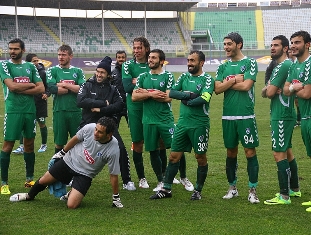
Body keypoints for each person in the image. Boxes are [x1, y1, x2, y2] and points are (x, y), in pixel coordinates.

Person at [9, 117, 124, 209]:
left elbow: (113, 174)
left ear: (109, 135)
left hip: (86, 174)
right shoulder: (90, 128)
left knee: (72, 205)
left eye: (100, 132)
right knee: (44, 180)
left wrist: (116, 197)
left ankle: (70, 194)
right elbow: (75, 138)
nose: (95, 133)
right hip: (69, 161)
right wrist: (62, 152)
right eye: (96, 129)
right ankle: (28, 196)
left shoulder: (113, 148)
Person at [150, 50, 214, 200]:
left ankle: (198, 191)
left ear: (201, 63)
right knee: (173, 156)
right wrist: (189, 96)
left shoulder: (208, 79)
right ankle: (166, 190)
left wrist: (187, 99)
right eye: (188, 60)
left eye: (192, 61)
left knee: (200, 157)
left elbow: (204, 98)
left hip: (199, 124)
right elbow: (171, 92)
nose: (189, 63)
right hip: (182, 124)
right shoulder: (184, 77)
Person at [132, 49, 194, 192]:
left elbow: (168, 97)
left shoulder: (168, 76)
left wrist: (145, 93)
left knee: (177, 147)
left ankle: (184, 177)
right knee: (153, 150)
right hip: (148, 120)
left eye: (153, 58)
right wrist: (152, 94)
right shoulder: (142, 76)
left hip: (165, 119)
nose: (150, 60)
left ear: (161, 61)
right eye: (149, 57)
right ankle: (161, 180)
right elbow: (135, 97)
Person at [77, 56, 136, 191]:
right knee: (76, 149)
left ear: (108, 74)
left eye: (102, 72)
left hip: (107, 125)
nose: (99, 74)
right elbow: (80, 101)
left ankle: (127, 181)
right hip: (87, 124)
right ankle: (71, 177)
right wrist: (102, 103)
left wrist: (102, 110)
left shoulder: (113, 89)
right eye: (98, 71)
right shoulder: (87, 84)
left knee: (120, 149)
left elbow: (120, 105)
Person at [214, 32, 260, 204]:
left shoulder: (250, 62)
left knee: (250, 151)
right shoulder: (222, 66)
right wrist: (234, 80)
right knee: (230, 152)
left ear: (239, 44)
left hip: (246, 115)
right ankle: (232, 188)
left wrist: (227, 83)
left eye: (229, 44)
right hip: (228, 116)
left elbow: (247, 85)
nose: (225, 47)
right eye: (224, 44)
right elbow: (217, 89)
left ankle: (252, 190)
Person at [0, 38, 44, 194]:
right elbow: (11, 86)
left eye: (16, 49)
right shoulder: (4, 65)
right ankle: (4, 183)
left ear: (22, 50)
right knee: (8, 145)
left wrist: (22, 88)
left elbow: (41, 88)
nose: (12, 51)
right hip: (13, 110)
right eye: (10, 49)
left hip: (29, 111)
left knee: (29, 145)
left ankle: (29, 179)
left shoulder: (30, 66)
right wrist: (30, 84)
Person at [261, 35, 300, 205]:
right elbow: (267, 90)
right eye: (271, 45)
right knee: (288, 151)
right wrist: (269, 89)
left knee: (278, 153)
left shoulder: (283, 66)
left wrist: (269, 89)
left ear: (285, 48)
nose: (272, 48)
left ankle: (284, 195)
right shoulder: (285, 65)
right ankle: (295, 189)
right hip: (286, 113)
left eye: (276, 45)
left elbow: (268, 93)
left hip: (281, 115)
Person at [283, 30, 311, 212]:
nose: (293, 45)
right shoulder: (294, 66)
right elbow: (286, 90)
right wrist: (295, 86)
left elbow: (307, 94)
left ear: (308, 44)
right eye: (292, 42)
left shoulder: (309, 64)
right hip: (306, 118)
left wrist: (295, 88)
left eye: (298, 42)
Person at [122, 37, 151, 188]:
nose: (136, 51)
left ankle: (163, 176)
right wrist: (146, 84)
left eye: (139, 48)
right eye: (135, 48)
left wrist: (136, 81)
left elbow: (158, 85)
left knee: (158, 142)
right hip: (134, 108)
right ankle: (141, 178)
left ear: (146, 48)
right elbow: (127, 87)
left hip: (152, 107)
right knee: (138, 142)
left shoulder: (153, 62)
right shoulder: (127, 65)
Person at [47, 45, 85, 154]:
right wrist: (73, 87)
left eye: (63, 55)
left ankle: (77, 168)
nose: (60, 57)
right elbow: (52, 87)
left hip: (76, 111)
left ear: (71, 56)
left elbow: (83, 88)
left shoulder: (78, 71)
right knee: (59, 143)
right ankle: (56, 169)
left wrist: (63, 84)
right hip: (59, 111)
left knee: (78, 141)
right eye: (59, 54)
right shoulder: (52, 70)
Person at [12, 53, 50, 154]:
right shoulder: (24, 72)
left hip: (40, 102)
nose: (36, 62)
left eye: (37, 60)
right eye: (34, 61)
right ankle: (21, 146)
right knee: (24, 123)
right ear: (28, 62)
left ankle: (44, 145)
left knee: (41, 123)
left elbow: (48, 86)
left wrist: (47, 94)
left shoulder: (43, 73)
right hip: (28, 101)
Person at [111, 50, 128, 125]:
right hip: (116, 105)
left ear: (126, 58)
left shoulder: (130, 71)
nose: (121, 59)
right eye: (119, 57)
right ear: (116, 59)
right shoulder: (112, 73)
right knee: (113, 129)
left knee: (134, 129)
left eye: (123, 57)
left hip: (129, 105)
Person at [288, 47, 301, 127]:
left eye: (289, 52)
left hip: (298, 85)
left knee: (298, 102)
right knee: (297, 102)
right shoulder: (292, 63)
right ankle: (299, 119)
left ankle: (299, 119)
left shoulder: (297, 62)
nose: (289, 53)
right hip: (295, 85)